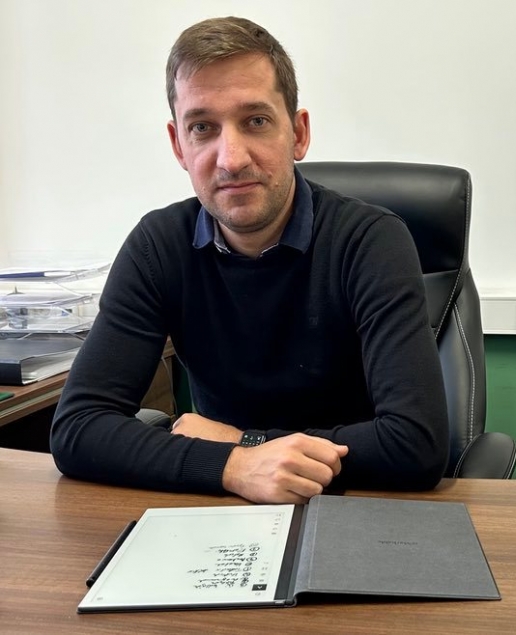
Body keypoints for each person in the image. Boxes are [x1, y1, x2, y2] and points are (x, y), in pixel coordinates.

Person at [50, 16, 449, 504]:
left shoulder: (370, 240)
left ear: (298, 133)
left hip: (357, 507)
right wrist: (236, 467)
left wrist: (241, 443)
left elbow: (415, 444)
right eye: (203, 128)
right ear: (179, 145)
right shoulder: (158, 246)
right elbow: (77, 428)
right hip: (221, 505)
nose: (231, 158)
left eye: (256, 121)